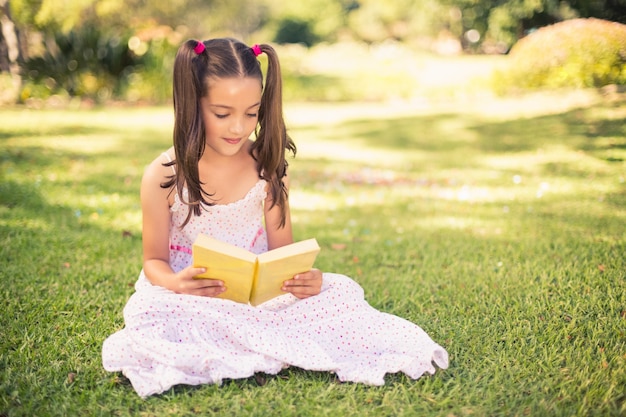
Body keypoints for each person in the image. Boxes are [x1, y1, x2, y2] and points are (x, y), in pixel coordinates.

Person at [102, 38, 448, 398]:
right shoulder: (162, 174)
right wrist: (176, 284)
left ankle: (248, 330)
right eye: (223, 114)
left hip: (257, 297)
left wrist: (302, 280)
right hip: (190, 293)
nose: (239, 127)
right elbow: (154, 262)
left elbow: (282, 253)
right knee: (147, 311)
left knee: (338, 291)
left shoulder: (268, 167)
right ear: (192, 104)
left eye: (251, 113)